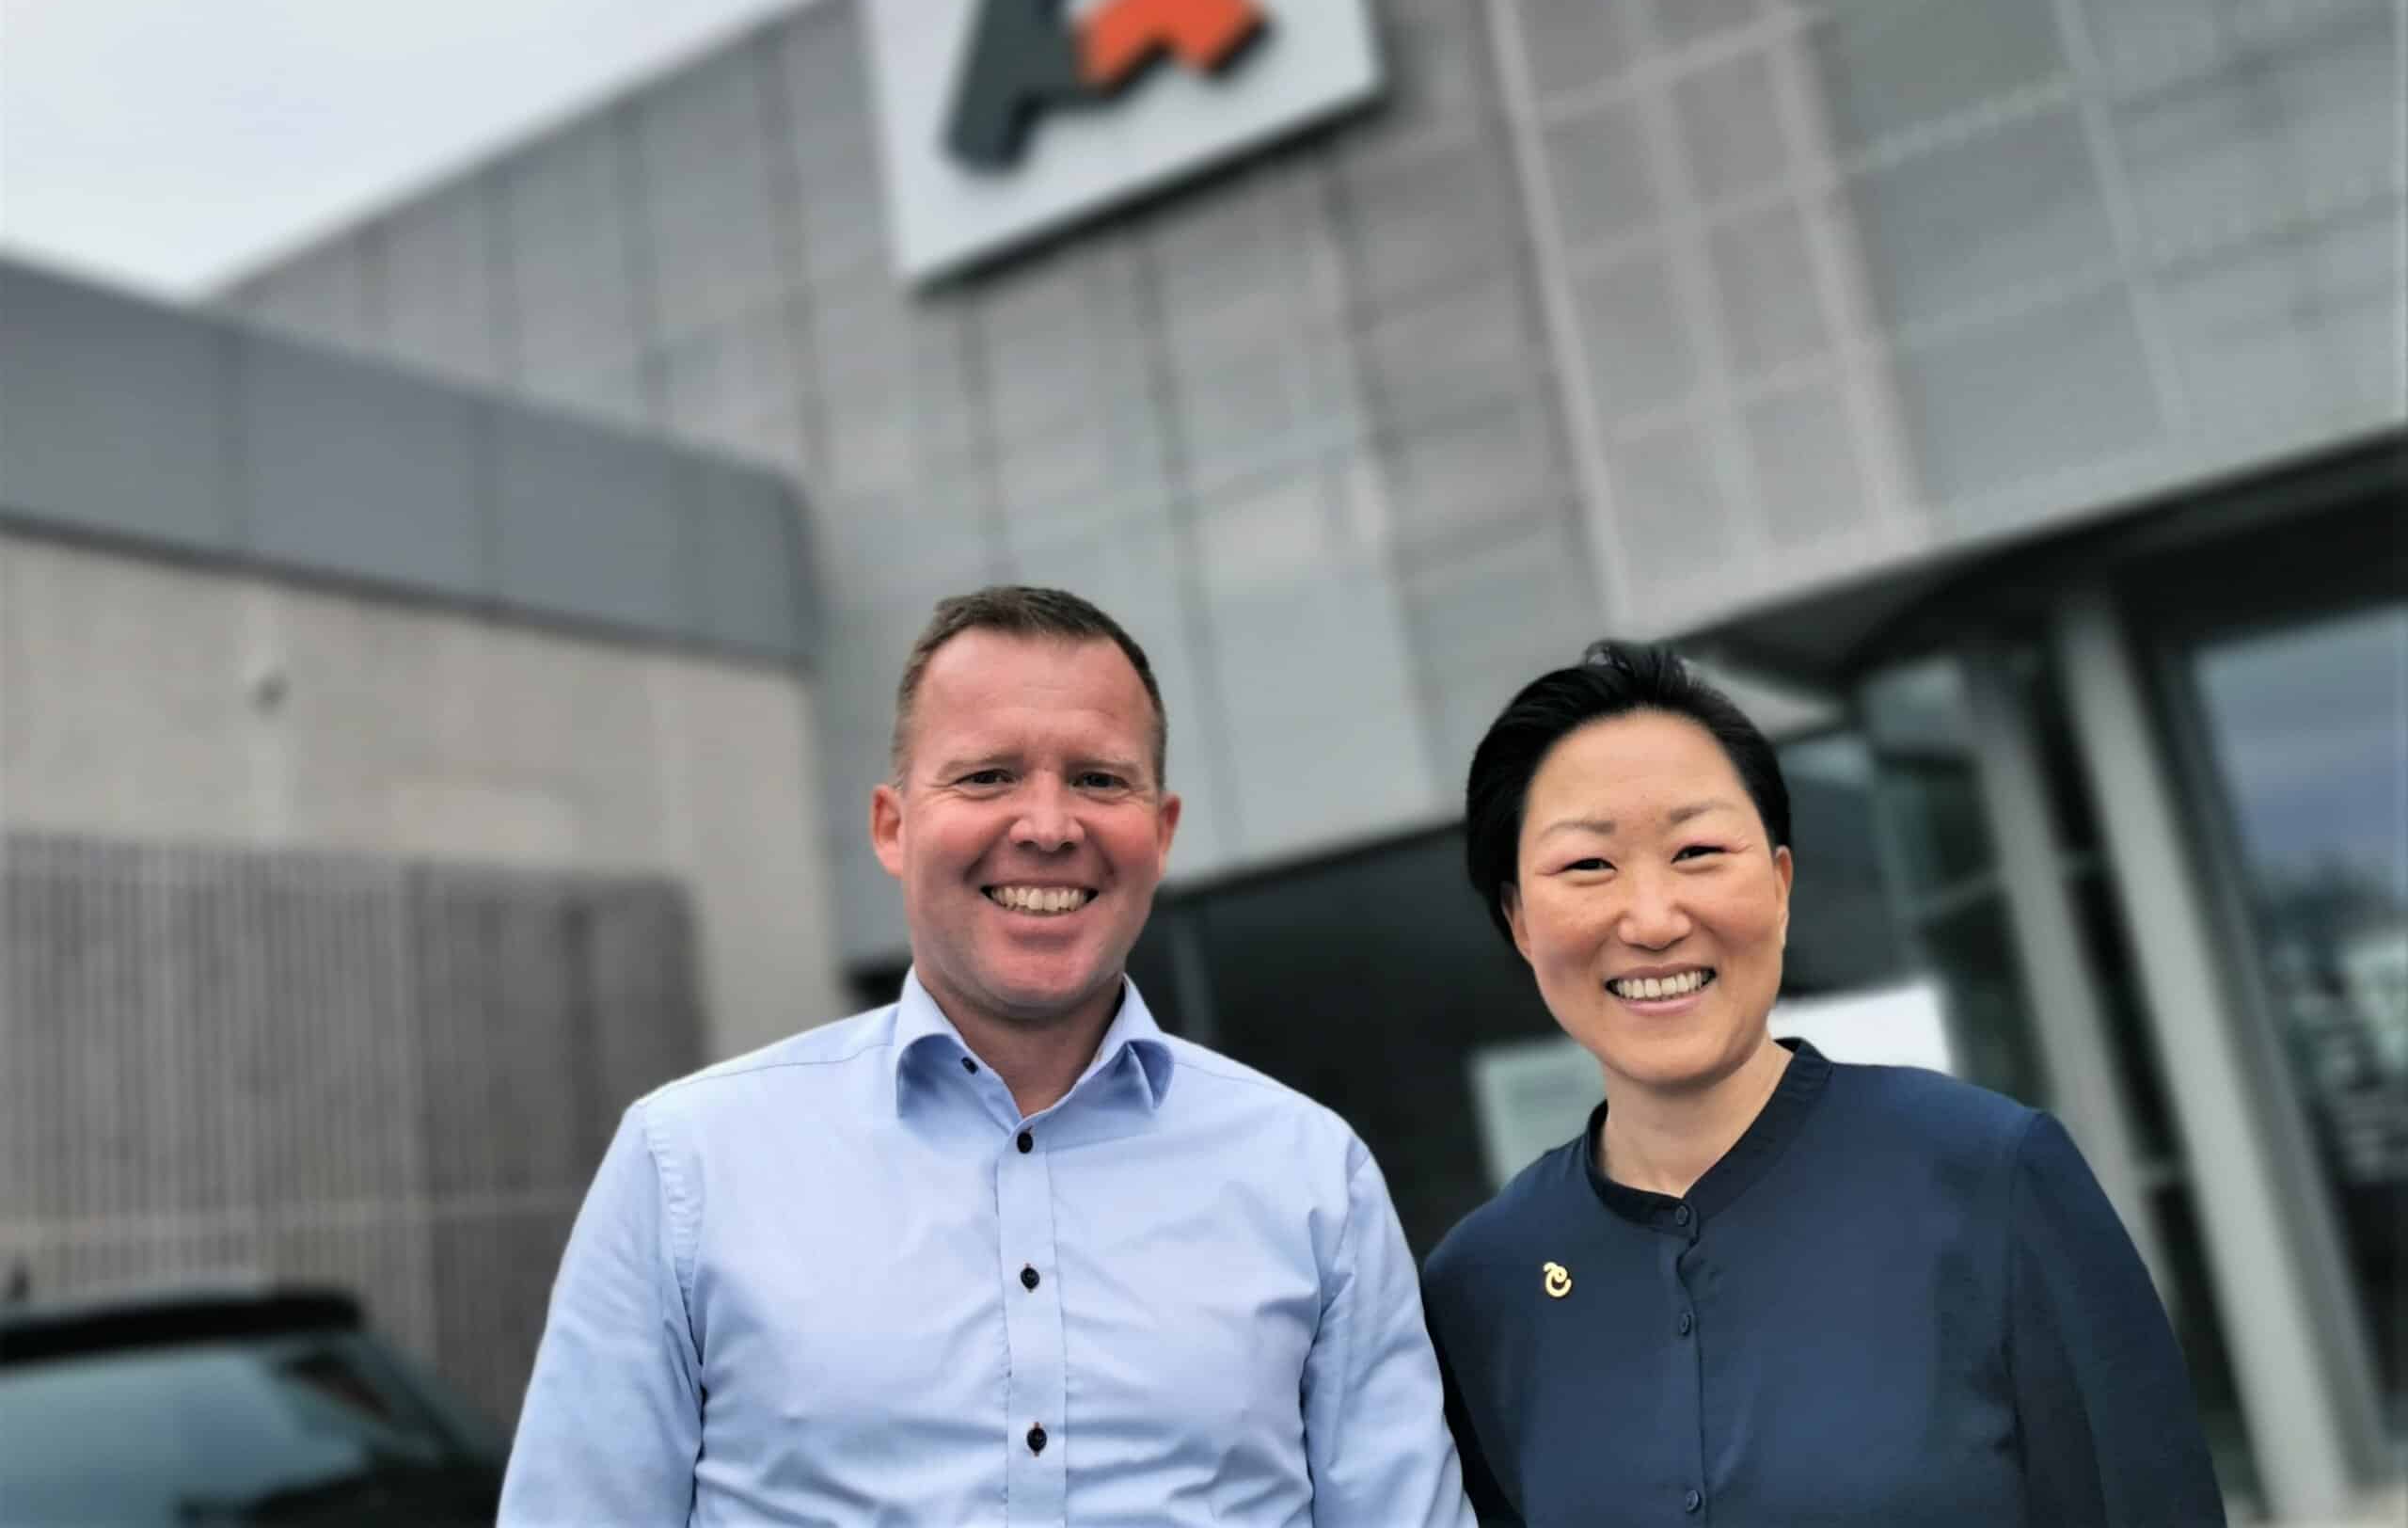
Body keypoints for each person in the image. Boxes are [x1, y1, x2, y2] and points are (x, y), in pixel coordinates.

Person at [500, 585, 1474, 1527]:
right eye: (986, 776)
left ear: (1162, 830)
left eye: (1099, 779)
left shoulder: (1313, 1175)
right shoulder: (686, 1164)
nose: (1047, 828)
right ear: (892, 827)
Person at [1422, 642, 2225, 1527]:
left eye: (1697, 850)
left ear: (1779, 885)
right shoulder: (1481, 1286)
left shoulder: (1990, 1176)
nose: (1652, 920)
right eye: (1588, 866)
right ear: (1519, 920)